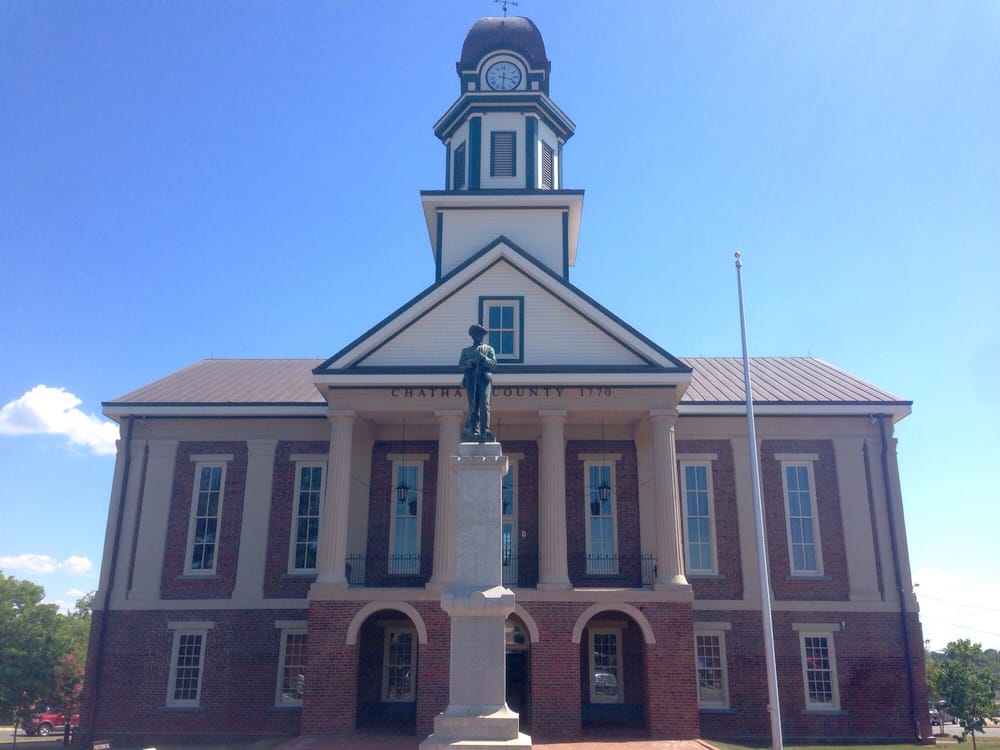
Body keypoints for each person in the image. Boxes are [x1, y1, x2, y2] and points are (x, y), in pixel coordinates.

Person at [459, 324, 497, 442]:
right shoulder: (466, 351)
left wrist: (483, 358)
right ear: (472, 336)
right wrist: (472, 362)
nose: (479, 336)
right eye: (477, 334)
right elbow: (461, 364)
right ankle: (473, 430)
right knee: (473, 404)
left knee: (484, 404)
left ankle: (485, 429)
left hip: (484, 379)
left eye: (481, 334)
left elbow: (493, 364)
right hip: (471, 379)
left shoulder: (489, 349)